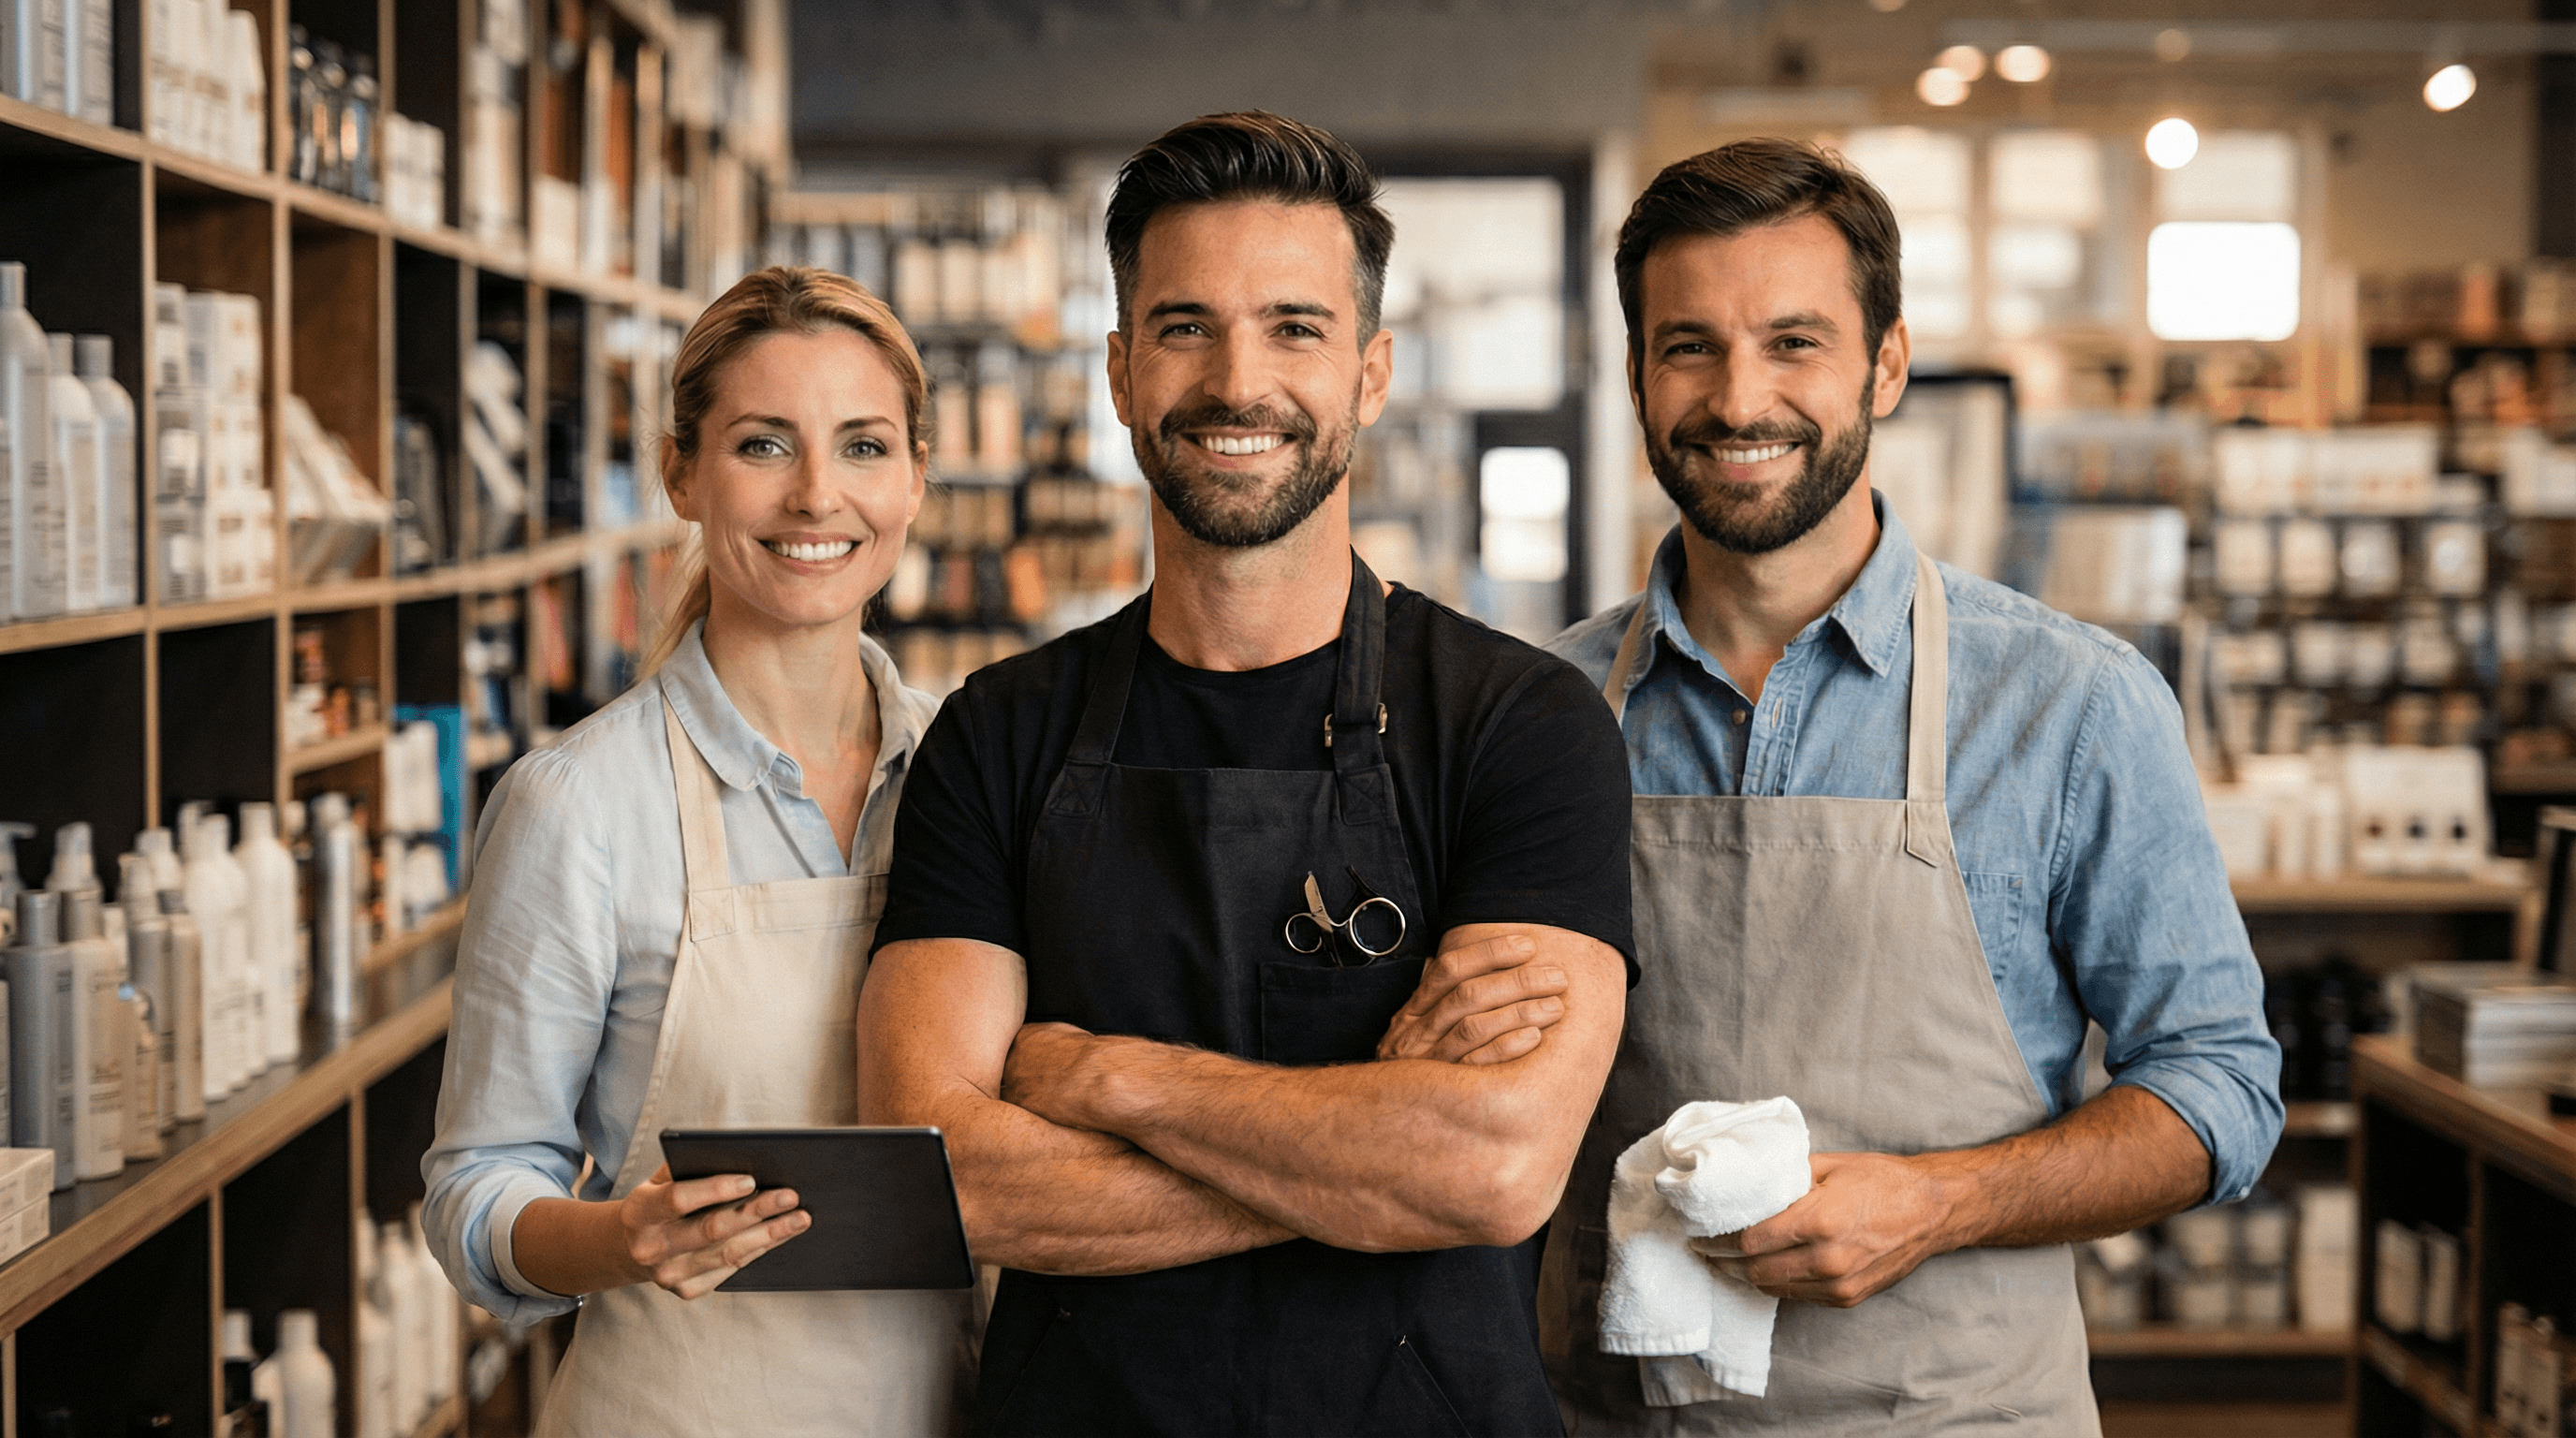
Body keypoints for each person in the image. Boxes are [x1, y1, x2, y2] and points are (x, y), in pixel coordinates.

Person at [858, 111, 1635, 1437]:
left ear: (1370, 373)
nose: (1236, 382)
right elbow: (932, 1179)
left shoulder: (1523, 726)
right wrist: (1371, 1163)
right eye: (1184, 327)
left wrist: (1112, 1083)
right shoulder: (995, 735)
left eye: (1294, 328)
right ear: (1119, 371)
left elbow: (1497, 1169)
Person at [1539, 138, 2284, 1433]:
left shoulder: (2070, 705)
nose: (1738, 398)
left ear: (1885, 364)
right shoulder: (1538, 713)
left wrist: (1943, 1203)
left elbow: (2219, 1089)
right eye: (1689, 347)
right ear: (1638, 373)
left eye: (1794, 343)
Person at [420, 266, 973, 1437]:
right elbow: (476, 1190)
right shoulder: (579, 807)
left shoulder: (971, 778)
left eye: (863, 447)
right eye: (763, 445)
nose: (817, 495)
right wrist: (622, 1239)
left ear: (916, 478)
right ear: (681, 473)